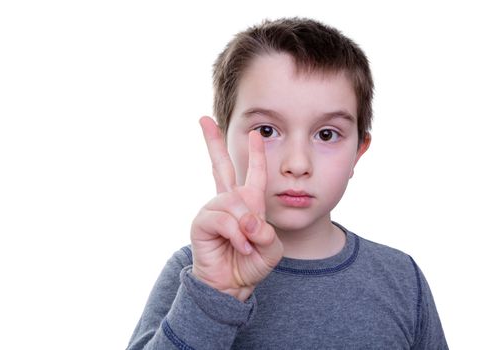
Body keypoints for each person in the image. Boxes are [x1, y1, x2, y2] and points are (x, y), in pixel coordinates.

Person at [126, 17, 448, 349]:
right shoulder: (195, 275)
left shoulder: (402, 279)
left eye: (326, 134)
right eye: (266, 131)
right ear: (222, 141)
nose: (297, 164)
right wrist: (213, 298)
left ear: (358, 152)